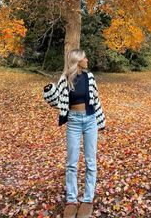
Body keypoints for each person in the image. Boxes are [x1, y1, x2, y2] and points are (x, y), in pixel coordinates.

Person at [43, 48, 106, 218]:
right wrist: (49, 91)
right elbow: (58, 102)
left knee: (90, 161)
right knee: (71, 163)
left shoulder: (90, 77)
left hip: (90, 120)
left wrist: (101, 121)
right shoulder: (65, 79)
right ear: (77, 60)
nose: (87, 58)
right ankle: (71, 200)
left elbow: (96, 100)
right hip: (74, 122)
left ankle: (87, 199)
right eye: (84, 56)